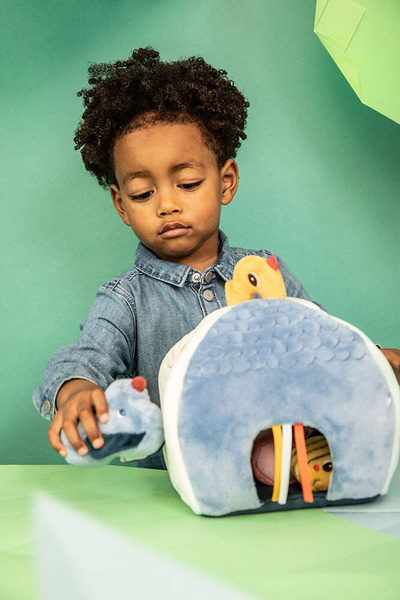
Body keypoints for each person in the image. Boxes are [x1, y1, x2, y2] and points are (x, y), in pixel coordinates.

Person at [33, 47, 400, 470]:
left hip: (279, 477)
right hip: (172, 488)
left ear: (225, 182)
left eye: (188, 183)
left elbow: (319, 338)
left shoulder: (265, 274)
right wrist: (76, 391)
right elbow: (84, 357)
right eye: (142, 193)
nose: (166, 205)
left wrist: (371, 358)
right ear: (121, 204)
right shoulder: (126, 300)